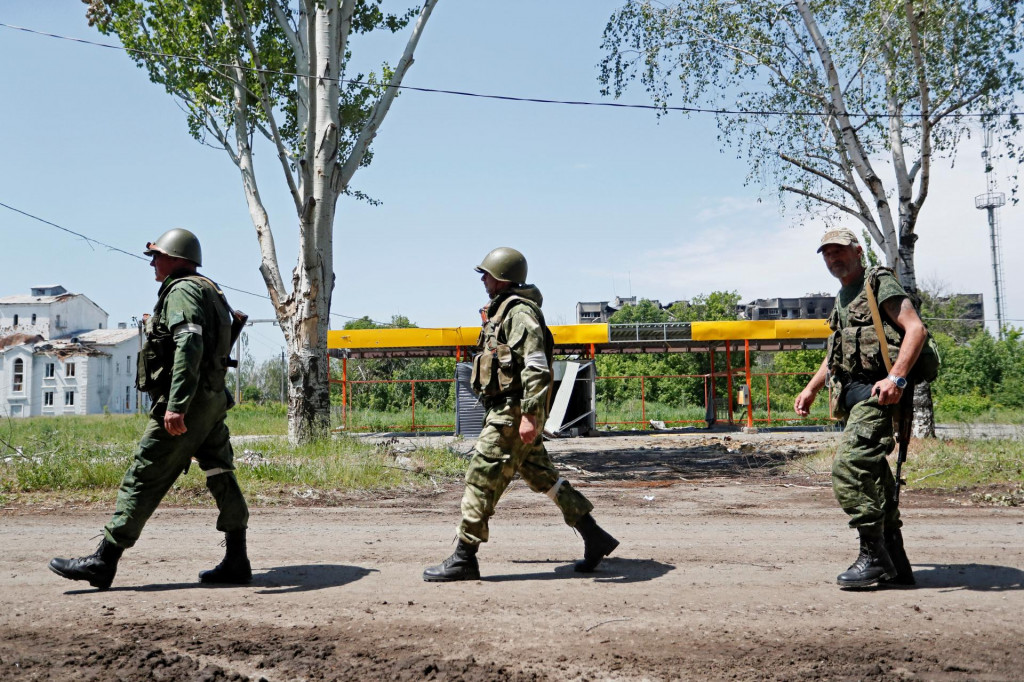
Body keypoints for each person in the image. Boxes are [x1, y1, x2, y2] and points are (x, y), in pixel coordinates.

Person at [49, 228, 251, 590]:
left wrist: (176, 406)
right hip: (211, 399)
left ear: (177, 257)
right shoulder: (209, 288)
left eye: (157, 256)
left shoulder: (183, 290)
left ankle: (103, 561)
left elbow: (190, 342)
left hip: (188, 404)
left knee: (144, 474)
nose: (153, 263)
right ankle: (237, 558)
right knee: (220, 470)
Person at [423, 247, 619, 581]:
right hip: (507, 410)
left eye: (486, 274)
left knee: (481, 476)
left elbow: (537, 366)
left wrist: (531, 414)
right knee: (544, 478)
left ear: (501, 278)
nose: (482, 279)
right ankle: (594, 536)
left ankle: (464, 557)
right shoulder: (502, 313)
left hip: (512, 412)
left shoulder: (519, 313)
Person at [794, 228, 926, 589]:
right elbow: (834, 355)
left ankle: (874, 557)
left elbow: (915, 330)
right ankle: (897, 563)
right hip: (852, 398)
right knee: (876, 478)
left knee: (848, 469)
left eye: (839, 251)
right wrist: (810, 388)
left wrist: (896, 379)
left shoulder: (877, 282)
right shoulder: (842, 297)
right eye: (826, 254)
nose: (833, 258)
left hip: (878, 396)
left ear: (856, 251)